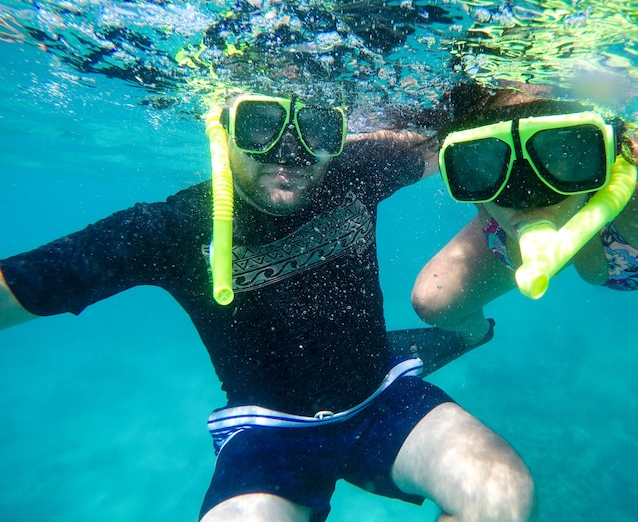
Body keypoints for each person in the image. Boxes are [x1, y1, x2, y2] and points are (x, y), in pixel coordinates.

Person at [0, 92, 534, 522]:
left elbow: (446, 137)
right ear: (222, 125)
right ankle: (464, 335)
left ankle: (467, 332)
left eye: (316, 129)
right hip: (270, 432)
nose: (290, 152)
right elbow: (23, 285)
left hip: (382, 395)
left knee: (503, 495)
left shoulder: (354, 169)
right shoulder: (171, 229)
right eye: (261, 123)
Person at [411, 83, 638, 370]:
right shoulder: (489, 194)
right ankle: (474, 335)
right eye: (484, 161)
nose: (526, 194)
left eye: (562, 151)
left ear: (605, 148)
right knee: (434, 302)